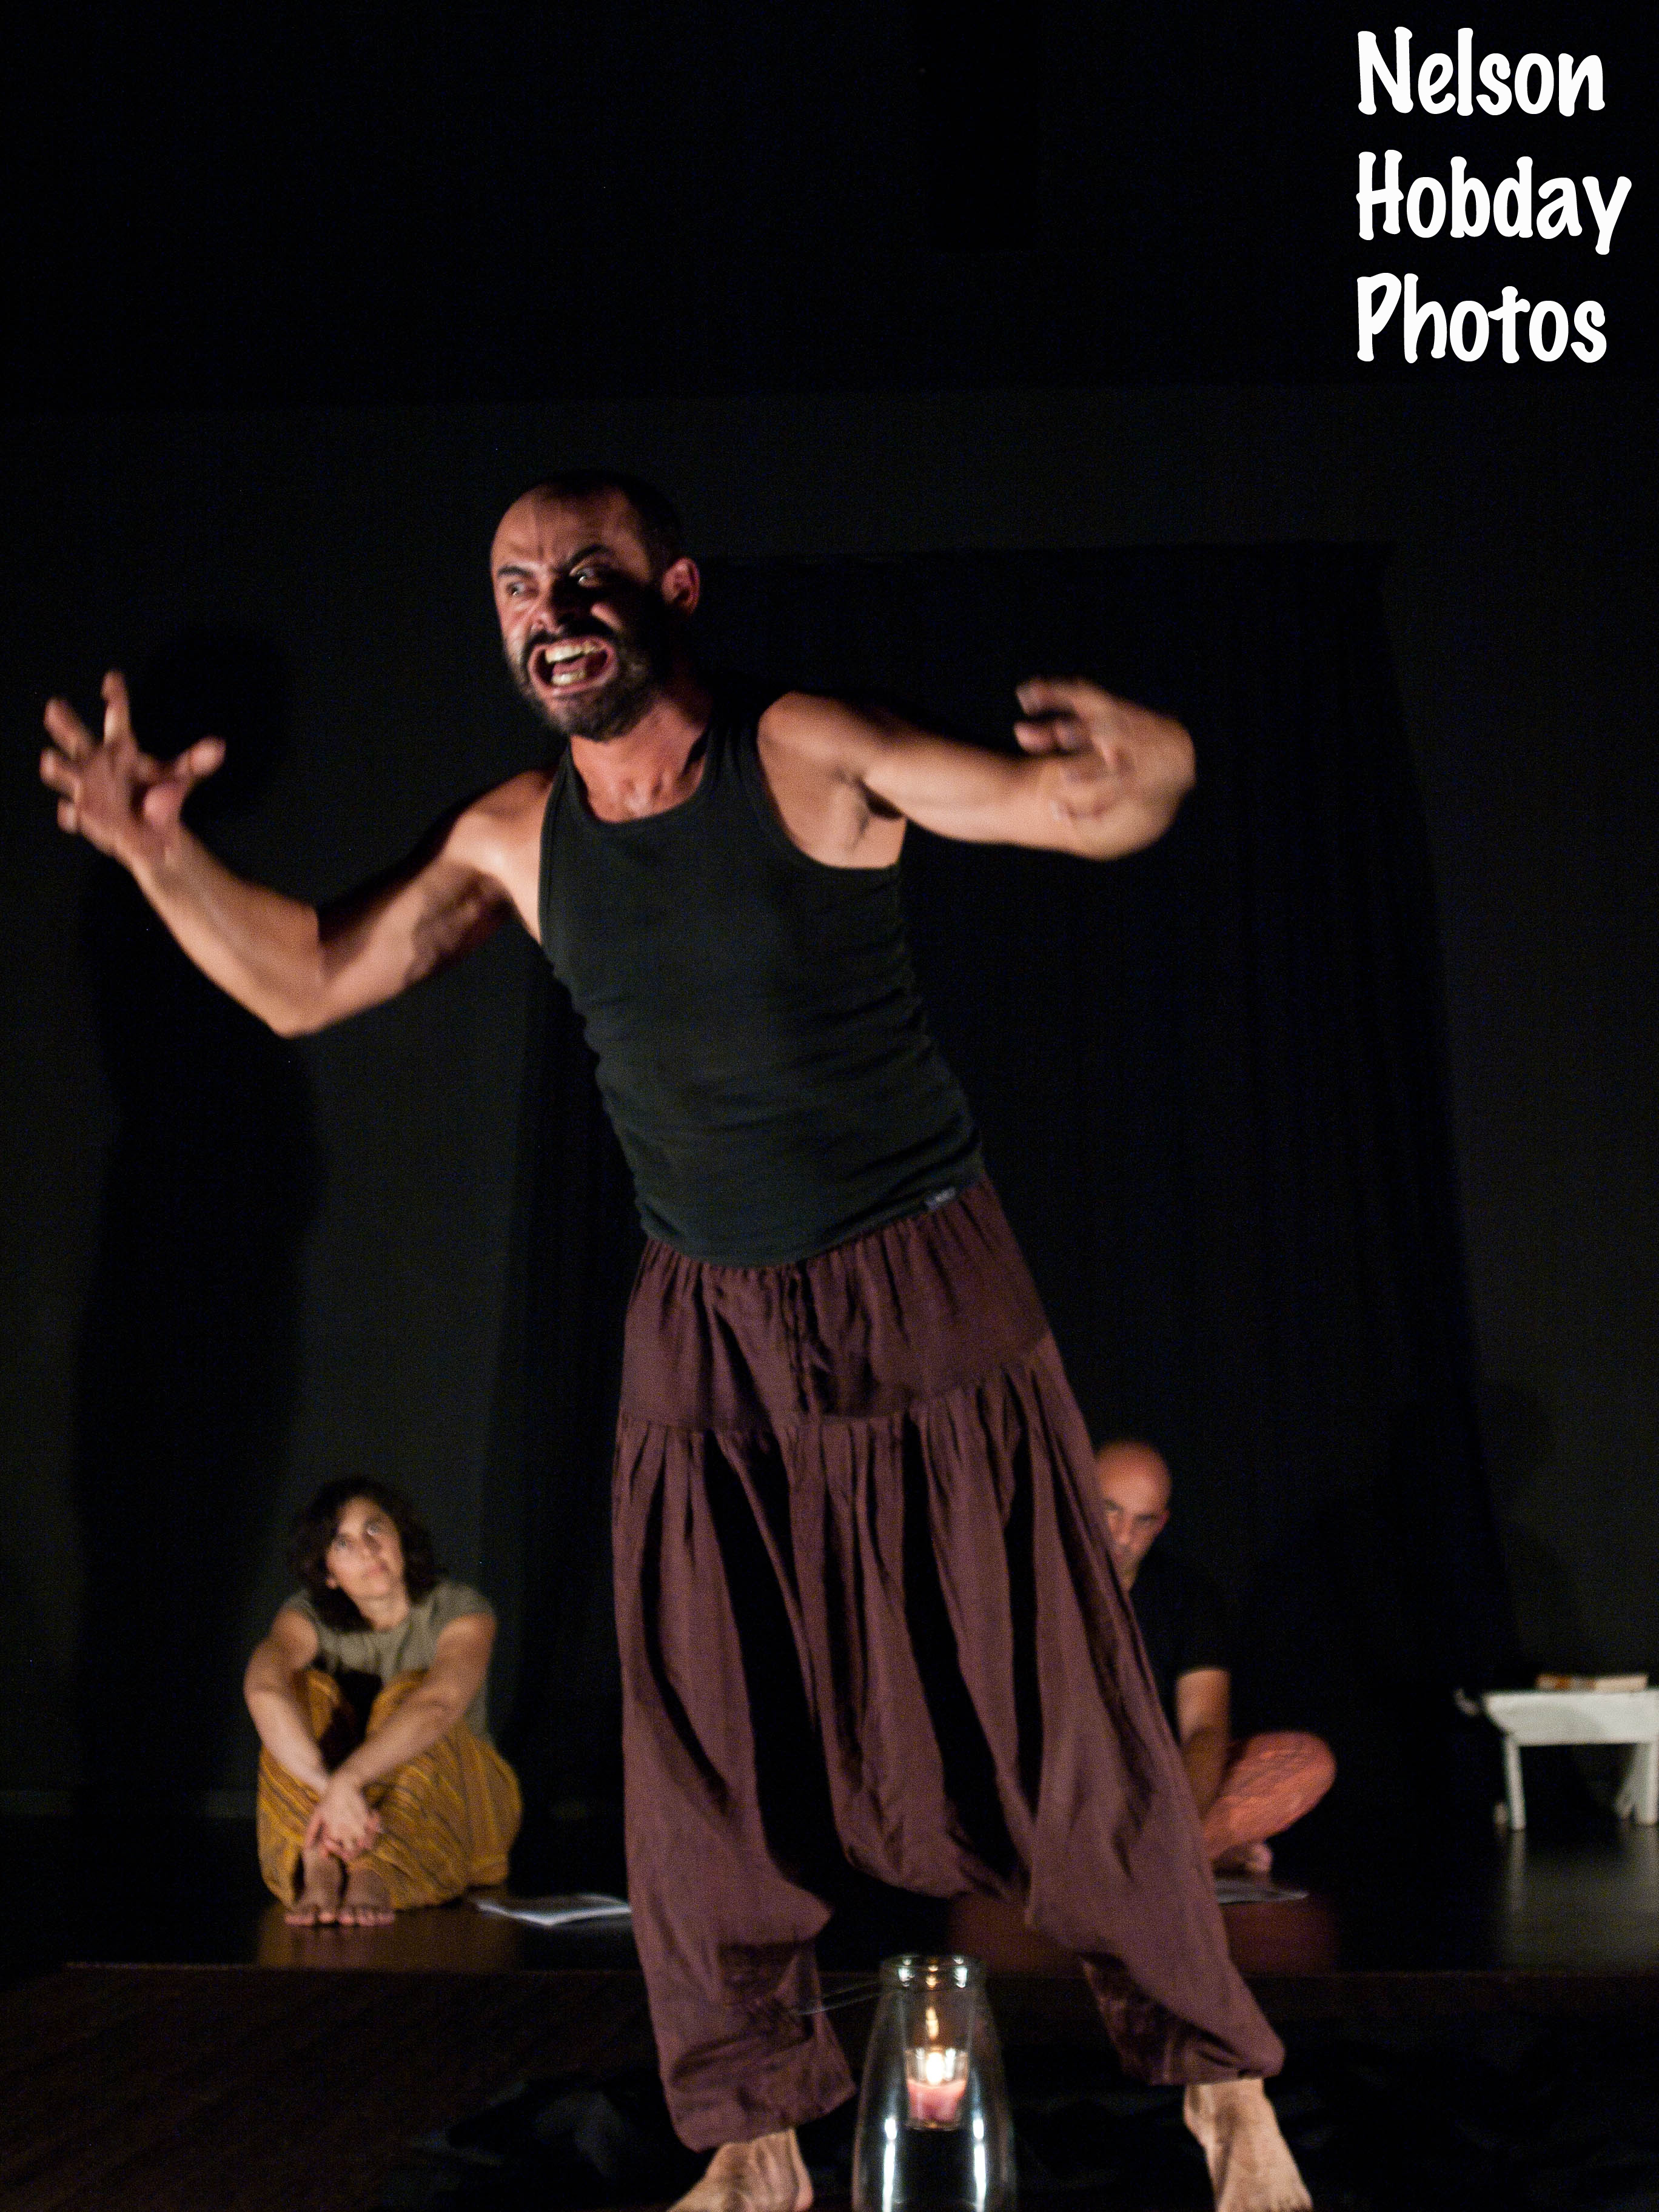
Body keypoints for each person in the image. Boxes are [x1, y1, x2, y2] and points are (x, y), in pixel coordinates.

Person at [44, 472, 1310, 2212]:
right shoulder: (515, 834)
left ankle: (1225, 2097)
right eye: (516, 587)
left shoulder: (800, 751)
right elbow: (305, 979)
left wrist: (1150, 760)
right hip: (703, 1319)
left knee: (1060, 1711)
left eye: (586, 575)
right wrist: (154, 851)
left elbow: (1077, 808)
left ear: (675, 590)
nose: (550, 611)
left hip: (921, 1280)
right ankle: (750, 2138)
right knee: (704, 1746)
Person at [244, 1478, 521, 1926]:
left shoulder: (461, 1609)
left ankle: (376, 1874)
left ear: (399, 1537)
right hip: (344, 1807)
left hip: (466, 1803)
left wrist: (349, 1779)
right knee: (297, 1693)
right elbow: (263, 1688)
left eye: (375, 1529)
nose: (368, 1549)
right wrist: (330, 1788)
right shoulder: (306, 1615)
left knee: (411, 1694)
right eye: (344, 1543)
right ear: (328, 1572)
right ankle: (320, 1864)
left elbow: (439, 1704)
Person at [1094, 1439, 1335, 1878]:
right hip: (1069, 1788)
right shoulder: (1031, 1583)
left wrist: (1176, 1822)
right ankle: (1194, 1857)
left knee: (1307, 1761)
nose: (1124, 1536)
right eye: (1110, 1510)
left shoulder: (1187, 1594)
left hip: (1161, 1788)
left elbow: (1204, 1729)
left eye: (1143, 1520)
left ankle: (1148, 1858)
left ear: (1161, 1524)